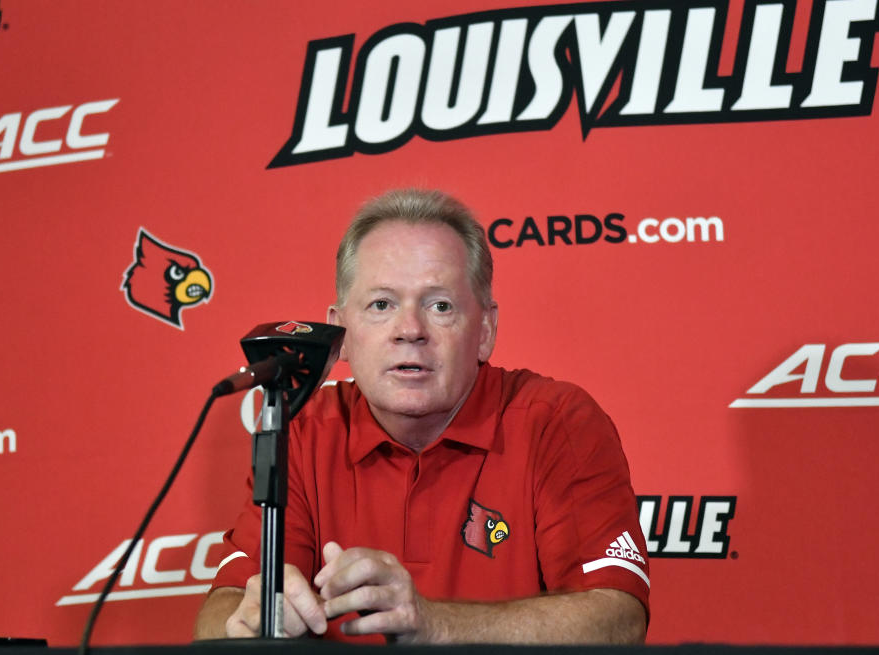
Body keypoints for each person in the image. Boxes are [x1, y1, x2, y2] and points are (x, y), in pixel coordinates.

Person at [194, 189, 649, 644]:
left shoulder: (556, 422)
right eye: (381, 305)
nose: (410, 331)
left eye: (440, 306)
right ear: (340, 338)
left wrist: (435, 626)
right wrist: (248, 619)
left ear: (485, 331)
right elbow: (220, 611)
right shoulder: (303, 430)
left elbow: (617, 620)